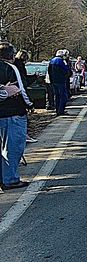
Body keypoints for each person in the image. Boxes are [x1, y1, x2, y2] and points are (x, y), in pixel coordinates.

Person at [0, 42, 32, 191]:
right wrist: (29, 104)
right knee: (13, 148)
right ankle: (10, 179)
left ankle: (3, 178)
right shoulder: (11, 68)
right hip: (12, 113)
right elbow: (21, 89)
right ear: (11, 55)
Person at [48, 49, 71, 116]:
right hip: (61, 81)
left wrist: (51, 80)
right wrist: (66, 77)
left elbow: (49, 72)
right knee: (63, 96)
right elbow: (66, 70)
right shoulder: (61, 61)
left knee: (57, 96)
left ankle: (57, 110)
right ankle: (61, 110)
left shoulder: (51, 61)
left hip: (53, 81)